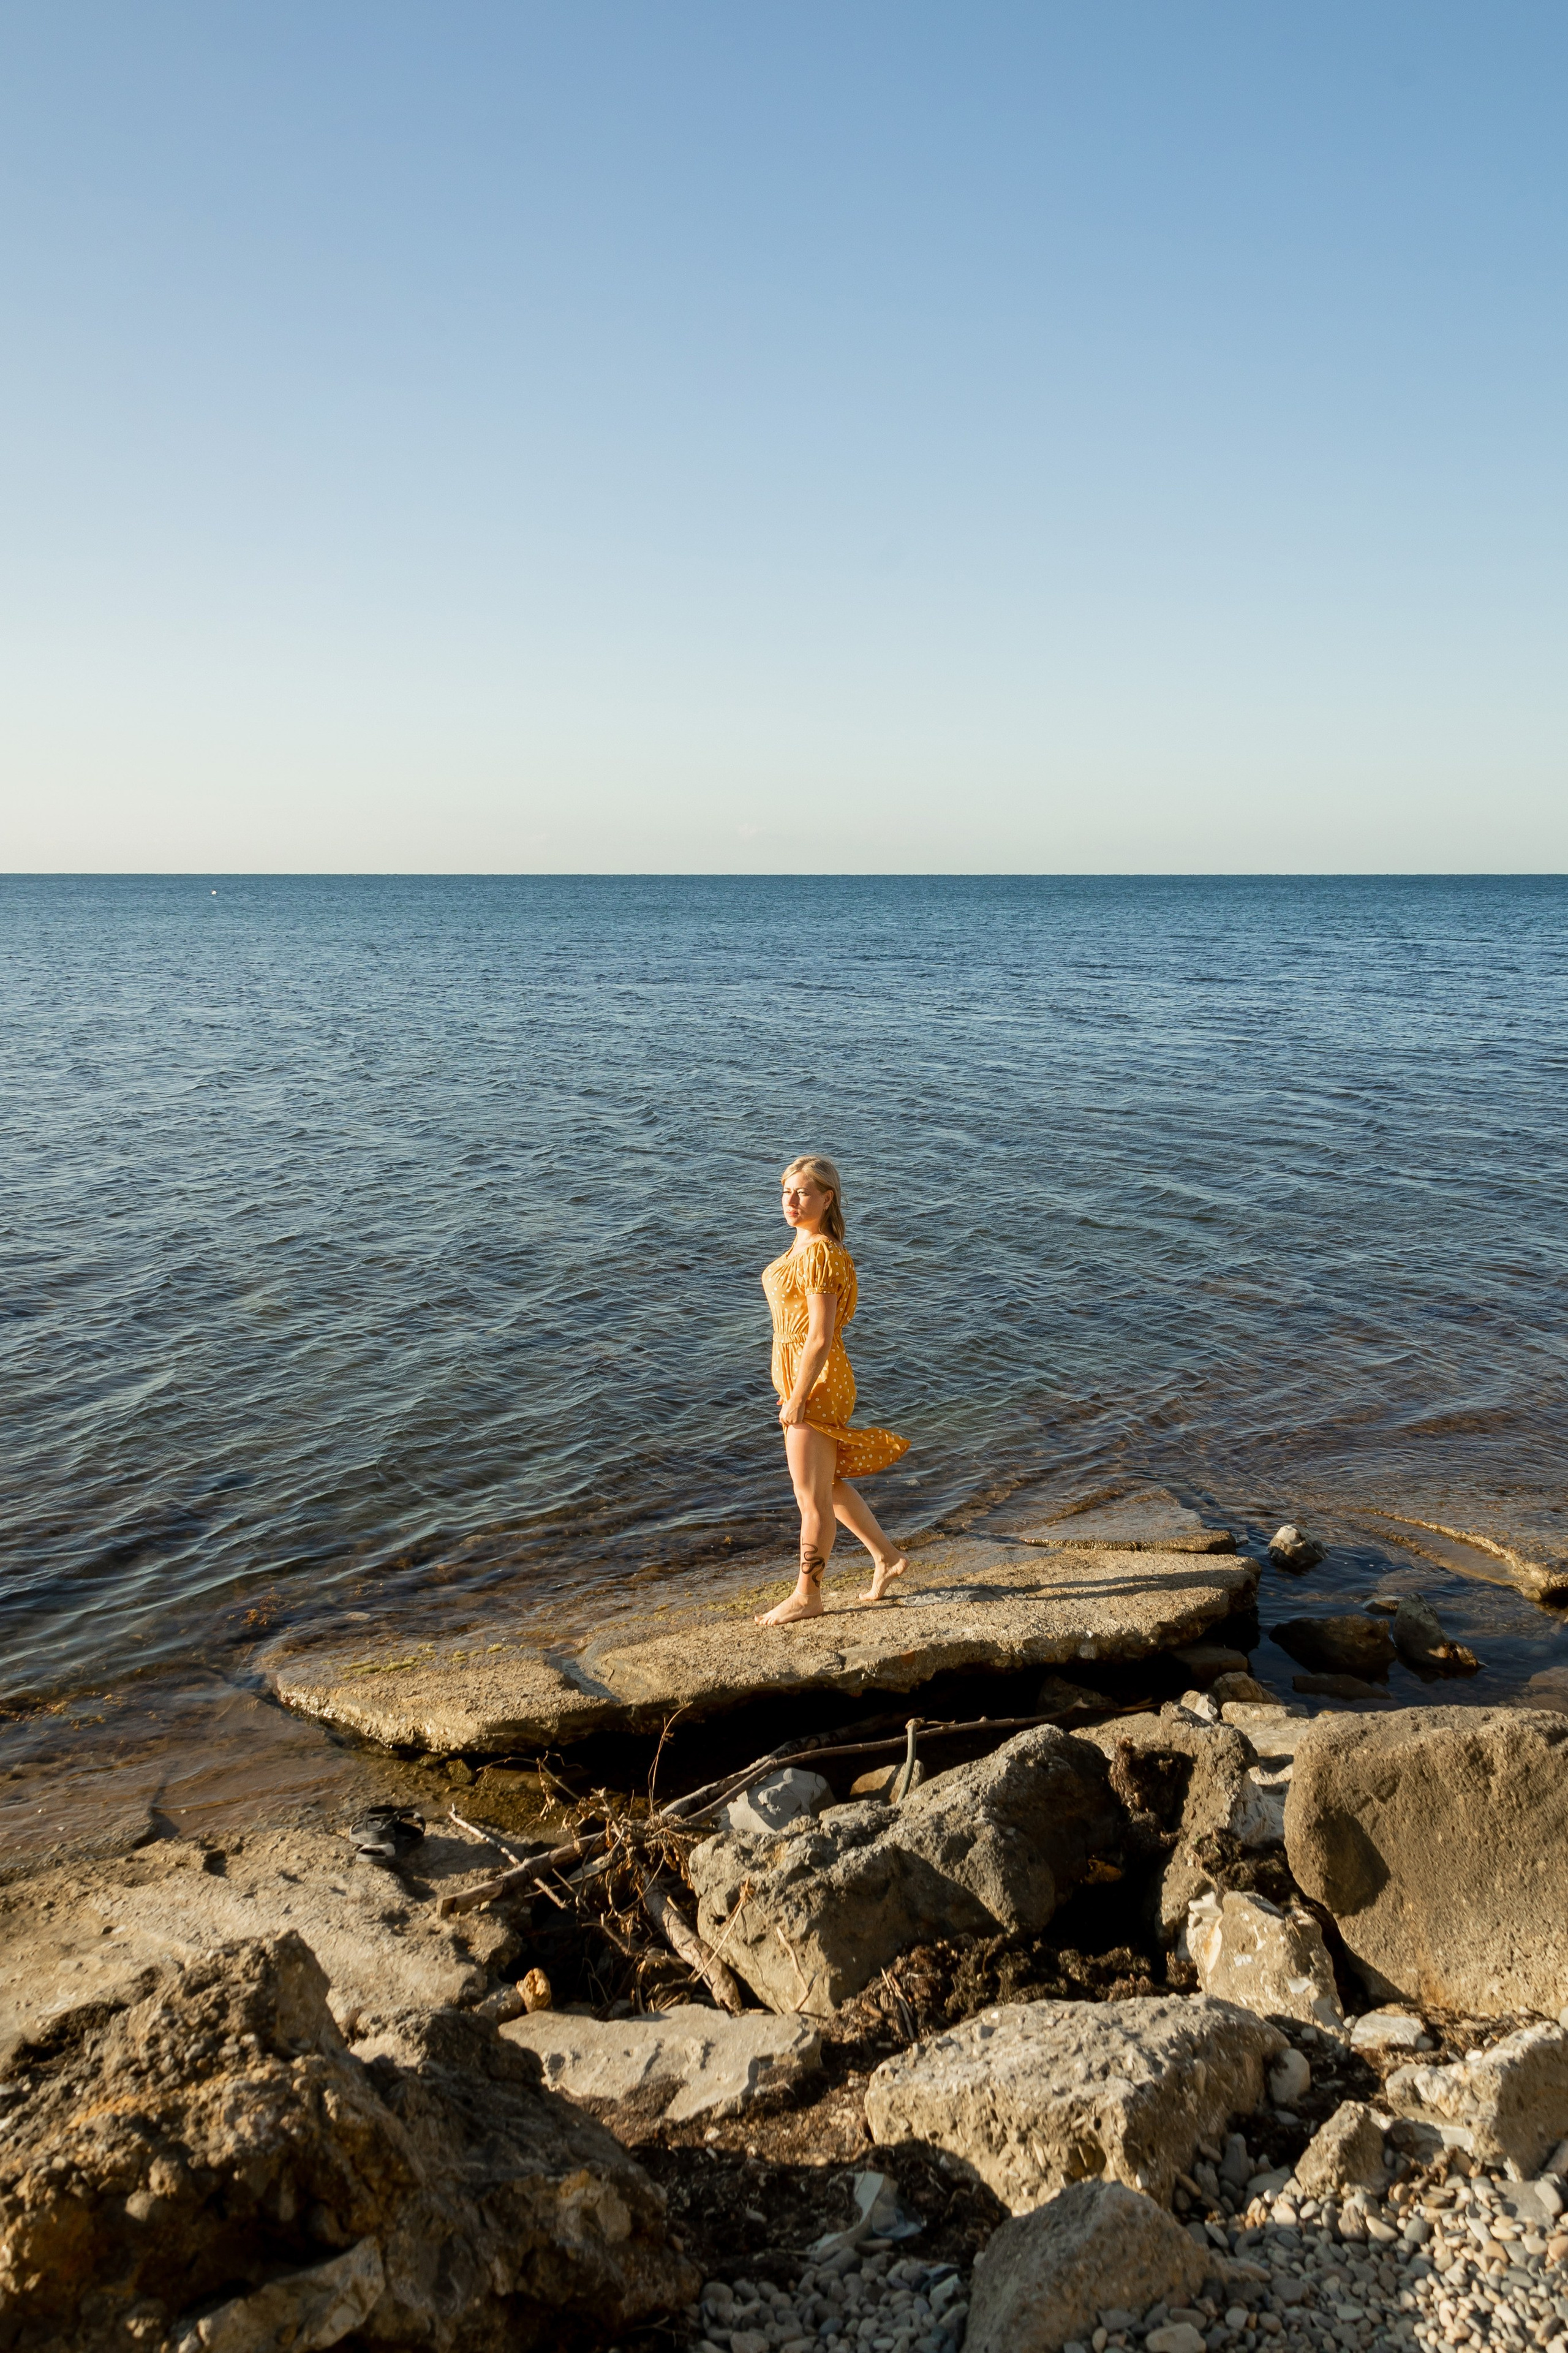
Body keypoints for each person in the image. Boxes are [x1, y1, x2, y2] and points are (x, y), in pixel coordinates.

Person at [755, 1153, 910, 1627]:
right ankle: (886, 1557)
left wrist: (800, 1394)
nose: (792, 1200)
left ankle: (808, 1594)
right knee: (827, 1484)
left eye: (802, 1192)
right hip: (807, 1378)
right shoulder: (802, 1249)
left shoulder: (821, 1252)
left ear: (827, 1198)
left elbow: (820, 1335)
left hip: (818, 1381)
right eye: (787, 1191)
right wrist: (790, 1385)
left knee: (811, 1498)